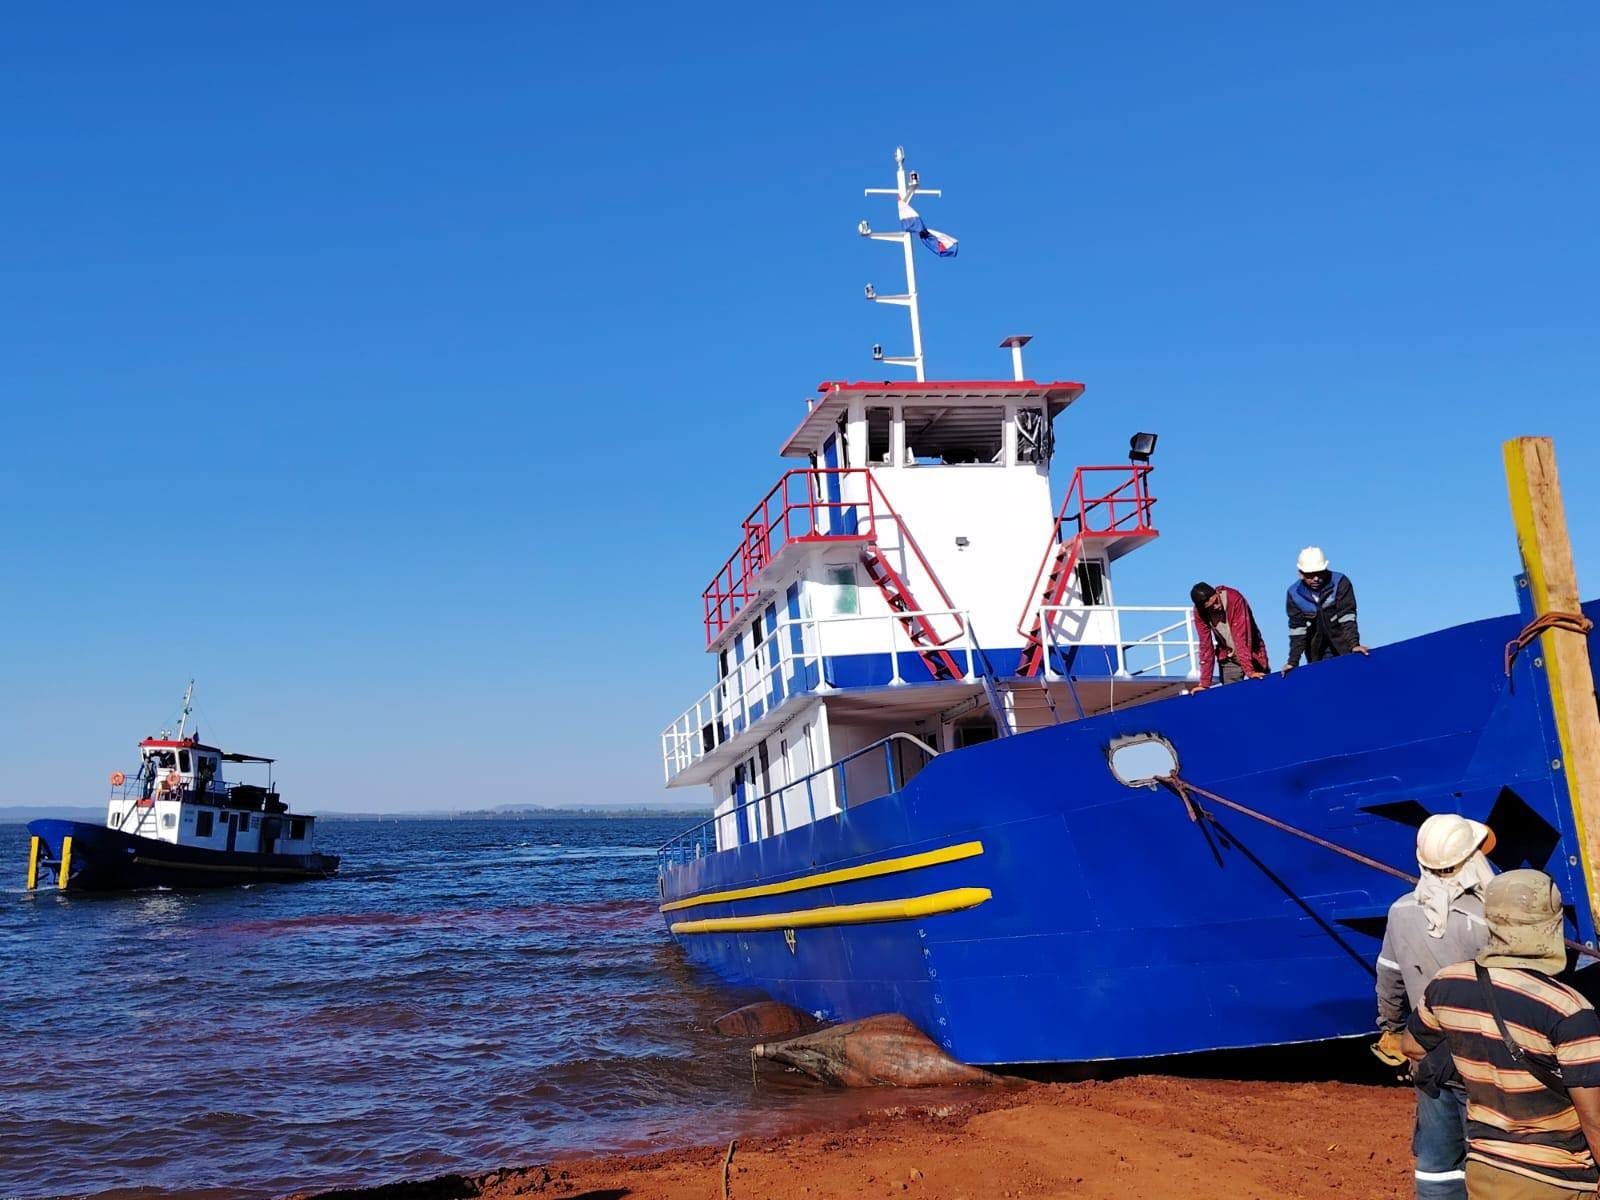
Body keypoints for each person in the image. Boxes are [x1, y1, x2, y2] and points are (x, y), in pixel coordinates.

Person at [1403, 870, 1600, 1198]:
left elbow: (1412, 1046)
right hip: (1556, 1180)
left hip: (1485, 1170)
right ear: (1552, 925)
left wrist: (1476, 1065)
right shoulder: (1569, 1009)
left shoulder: (1448, 982)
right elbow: (1594, 1121)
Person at [1375, 815, 1496, 1200]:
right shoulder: (1488, 919)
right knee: (1493, 1163)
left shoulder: (1401, 911)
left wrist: (1393, 1029)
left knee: (1437, 1165)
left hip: (1428, 1056)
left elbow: (1390, 979)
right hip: (1485, 1064)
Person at [1282, 546, 1368, 673]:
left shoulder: (1340, 582)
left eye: (1319, 573)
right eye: (1310, 575)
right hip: (1317, 652)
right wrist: (1292, 662)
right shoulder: (1294, 594)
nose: (1316, 578)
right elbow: (1297, 631)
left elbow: (1347, 617)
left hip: (1344, 646)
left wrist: (1354, 645)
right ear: (1300, 573)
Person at [1189, 582, 1270, 689]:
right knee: (1232, 693)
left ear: (1217, 593)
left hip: (1252, 652)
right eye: (1210, 608)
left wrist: (1250, 671)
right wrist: (1204, 683)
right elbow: (1205, 646)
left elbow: (1241, 637)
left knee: (1262, 689)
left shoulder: (1234, 598)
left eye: (1216, 601)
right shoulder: (1199, 613)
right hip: (1229, 656)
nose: (1216, 606)